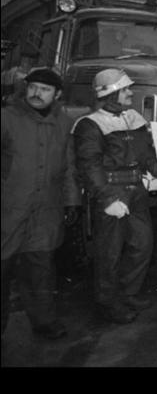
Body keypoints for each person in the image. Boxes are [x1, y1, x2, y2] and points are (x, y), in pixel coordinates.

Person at [72, 69, 157, 324]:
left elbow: (146, 156)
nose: (130, 92)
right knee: (109, 252)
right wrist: (109, 200)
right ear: (109, 93)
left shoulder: (134, 118)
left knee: (143, 245)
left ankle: (128, 292)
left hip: (136, 191)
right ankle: (107, 303)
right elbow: (90, 166)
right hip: (113, 193)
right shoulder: (90, 125)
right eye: (124, 89)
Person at [2, 69, 81, 340]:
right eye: (33, 87)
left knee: (41, 268)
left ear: (57, 94)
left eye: (45, 89)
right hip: (8, 209)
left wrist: (72, 202)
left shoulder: (64, 122)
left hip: (46, 209)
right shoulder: (6, 118)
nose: (37, 93)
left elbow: (69, 166)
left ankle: (44, 321)